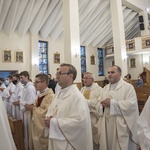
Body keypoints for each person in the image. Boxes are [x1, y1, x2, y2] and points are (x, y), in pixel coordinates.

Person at [44, 63, 93, 150]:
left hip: (68, 143)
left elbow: (81, 123)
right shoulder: (58, 94)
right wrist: (49, 118)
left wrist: (54, 122)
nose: (57, 76)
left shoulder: (77, 97)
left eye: (60, 73)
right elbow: (52, 110)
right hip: (56, 139)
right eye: (57, 74)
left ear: (70, 76)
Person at [98, 65, 139, 150]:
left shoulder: (128, 87)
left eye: (112, 72)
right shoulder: (105, 88)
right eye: (108, 72)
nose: (109, 74)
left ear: (120, 74)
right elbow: (99, 103)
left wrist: (112, 103)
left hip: (120, 124)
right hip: (106, 123)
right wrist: (101, 105)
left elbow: (131, 105)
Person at [25, 73, 54, 150]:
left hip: (43, 128)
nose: (34, 84)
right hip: (36, 125)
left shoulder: (50, 96)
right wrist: (31, 107)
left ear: (44, 83)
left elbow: (46, 112)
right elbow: (37, 106)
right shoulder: (40, 94)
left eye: (37, 82)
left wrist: (32, 109)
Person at [81, 72, 102, 150]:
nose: (84, 80)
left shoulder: (99, 90)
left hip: (93, 118)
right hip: (84, 117)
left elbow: (98, 103)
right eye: (83, 78)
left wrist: (86, 102)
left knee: (95, 137)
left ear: (92, 79)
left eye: (86, 78)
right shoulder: (82, 89)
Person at [19, 71, 37, 150]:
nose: (20, 80)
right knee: (26, 132)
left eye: (22, 78)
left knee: (28, 132)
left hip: (28, 112)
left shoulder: (30, 87)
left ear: (27, 77)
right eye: (20, 78)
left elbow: (32, 102)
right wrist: (23, 103)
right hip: (25, 111)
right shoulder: (26, 87)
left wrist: (23, 103)